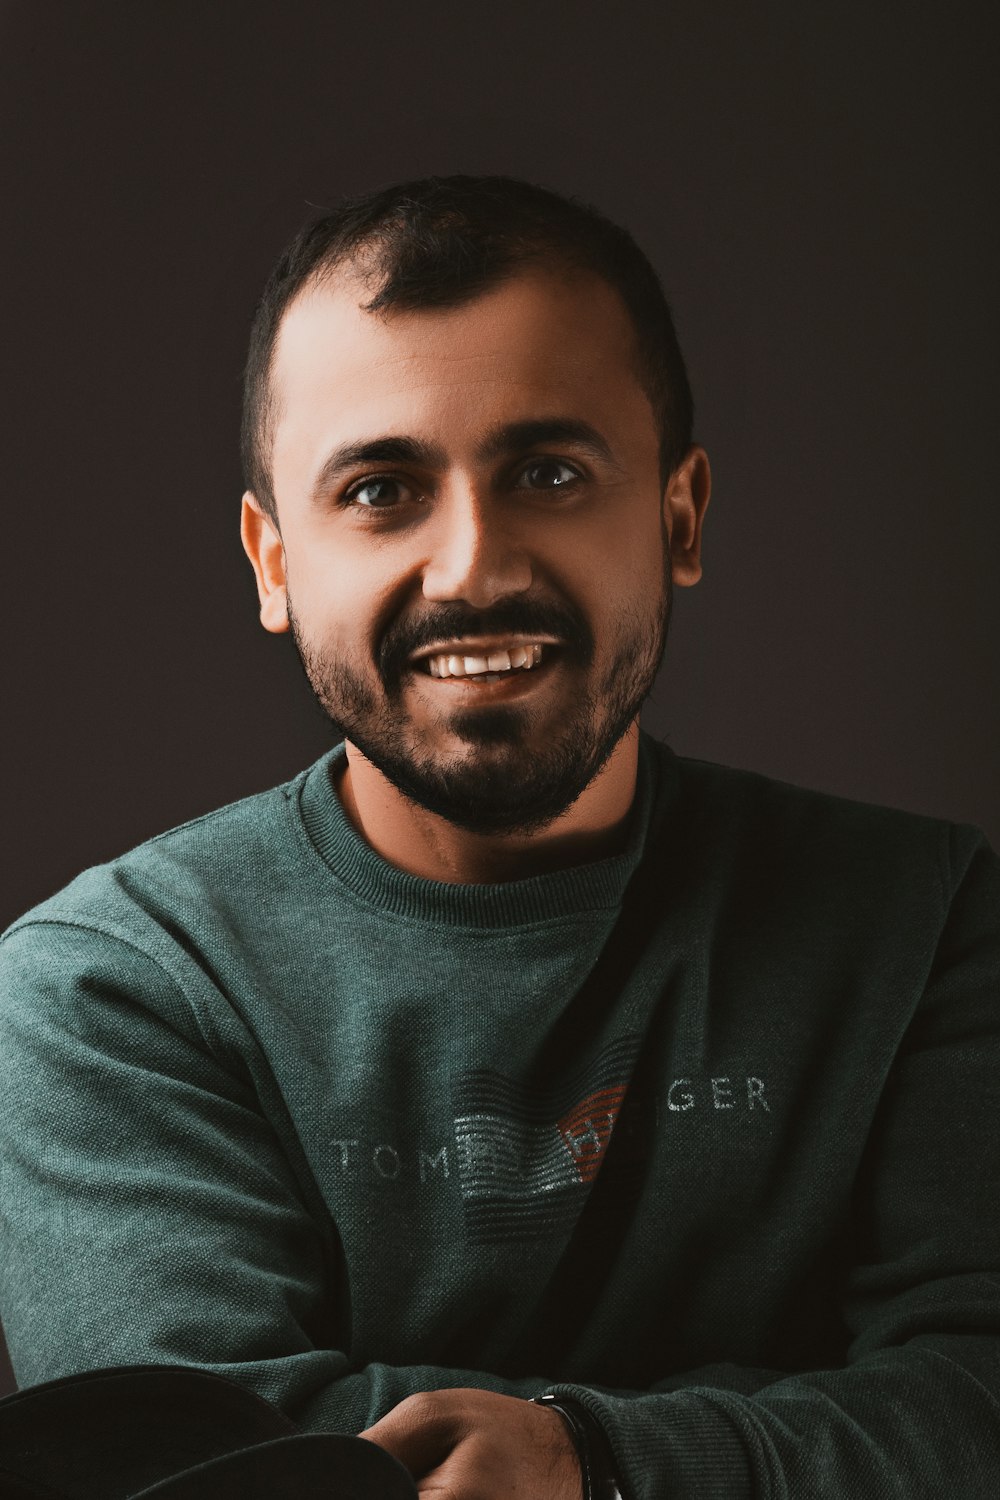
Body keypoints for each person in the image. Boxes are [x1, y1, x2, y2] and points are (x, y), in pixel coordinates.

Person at [1, 172, 998, 1499]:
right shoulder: (99, 993)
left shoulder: (929, 928)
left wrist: (591, 1459)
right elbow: (207, 1467)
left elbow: (977, 1410)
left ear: (679, 515)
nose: (472, 565)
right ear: (274, 563)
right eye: (379, 490)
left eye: (546, 471)